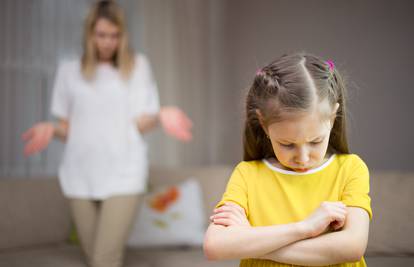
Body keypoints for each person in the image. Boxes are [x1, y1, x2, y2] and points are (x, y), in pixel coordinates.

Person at [22, 1, 192, 267]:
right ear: (90, 34)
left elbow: (139, 123)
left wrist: (160, 115)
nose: (108, 42)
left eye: (115, 35)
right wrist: (52, 128)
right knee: (94, 259)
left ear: (122, 35)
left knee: (104, 259)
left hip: (124, 172)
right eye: (102, 35)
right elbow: (69, 129)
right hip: (80, 174)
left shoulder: (137, 66)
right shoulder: (69, 71)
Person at [203, 53, 371, 267]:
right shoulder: (247, 174)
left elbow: (352, 247)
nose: (302, 158)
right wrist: (305, 228)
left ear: (332, 118)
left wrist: (251, 239)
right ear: (263, 124)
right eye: (287, 144)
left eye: (315, 141)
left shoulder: (350, 168)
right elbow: (215, 246)